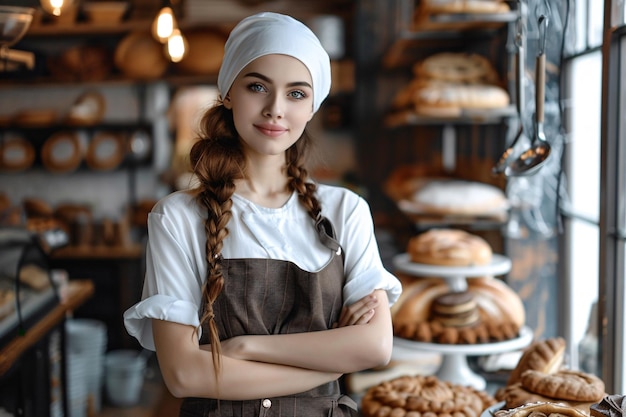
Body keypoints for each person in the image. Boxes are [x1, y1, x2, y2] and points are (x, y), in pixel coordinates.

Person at [123, 11, 402, 416]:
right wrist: (329, 364)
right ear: (229, 93)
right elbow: (184, 375)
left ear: (312, 108)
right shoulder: (176, 218)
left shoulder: (346, 211)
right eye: (258, 86)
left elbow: (376, 346)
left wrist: (244, 348)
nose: (275, 109)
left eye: (296, 93)